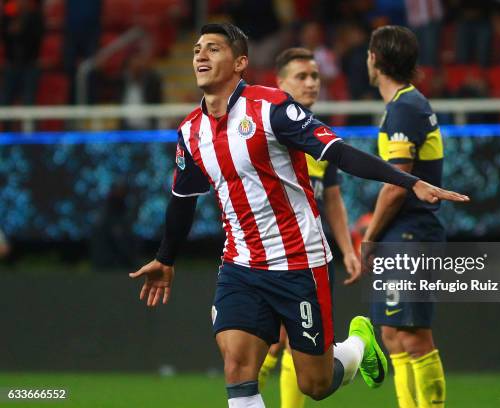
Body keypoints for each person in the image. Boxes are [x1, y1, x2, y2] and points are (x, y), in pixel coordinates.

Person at [129, 23, 468, 408]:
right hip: (241, 264)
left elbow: (338, 151)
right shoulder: (190, 132)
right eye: (196, 50)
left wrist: (407, 181)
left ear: (240, 62)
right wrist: (165, 258)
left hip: (299, 262)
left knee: (316, 384)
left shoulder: (271, 108)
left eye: (213, 49)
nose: (200, 56)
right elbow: (182, 199)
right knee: (238, 366)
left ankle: (356, 347)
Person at [256, 47, 361, 408]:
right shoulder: (263, 130)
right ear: (279, 83)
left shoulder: (320, 136)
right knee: (267, 342)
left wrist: (348, 250)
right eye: (302, 76)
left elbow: (332, 198)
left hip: (303, 255)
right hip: (262, 252)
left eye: (315, 76)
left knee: (288, 340)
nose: (312, 83)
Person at [362, 26, 447, 407]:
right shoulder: (407, 104)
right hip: (403, 233)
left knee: (412, 336)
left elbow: (397, 183)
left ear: (375, 60)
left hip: (409, 235)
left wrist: (369, 237)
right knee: (392, 334)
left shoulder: (403, 109)